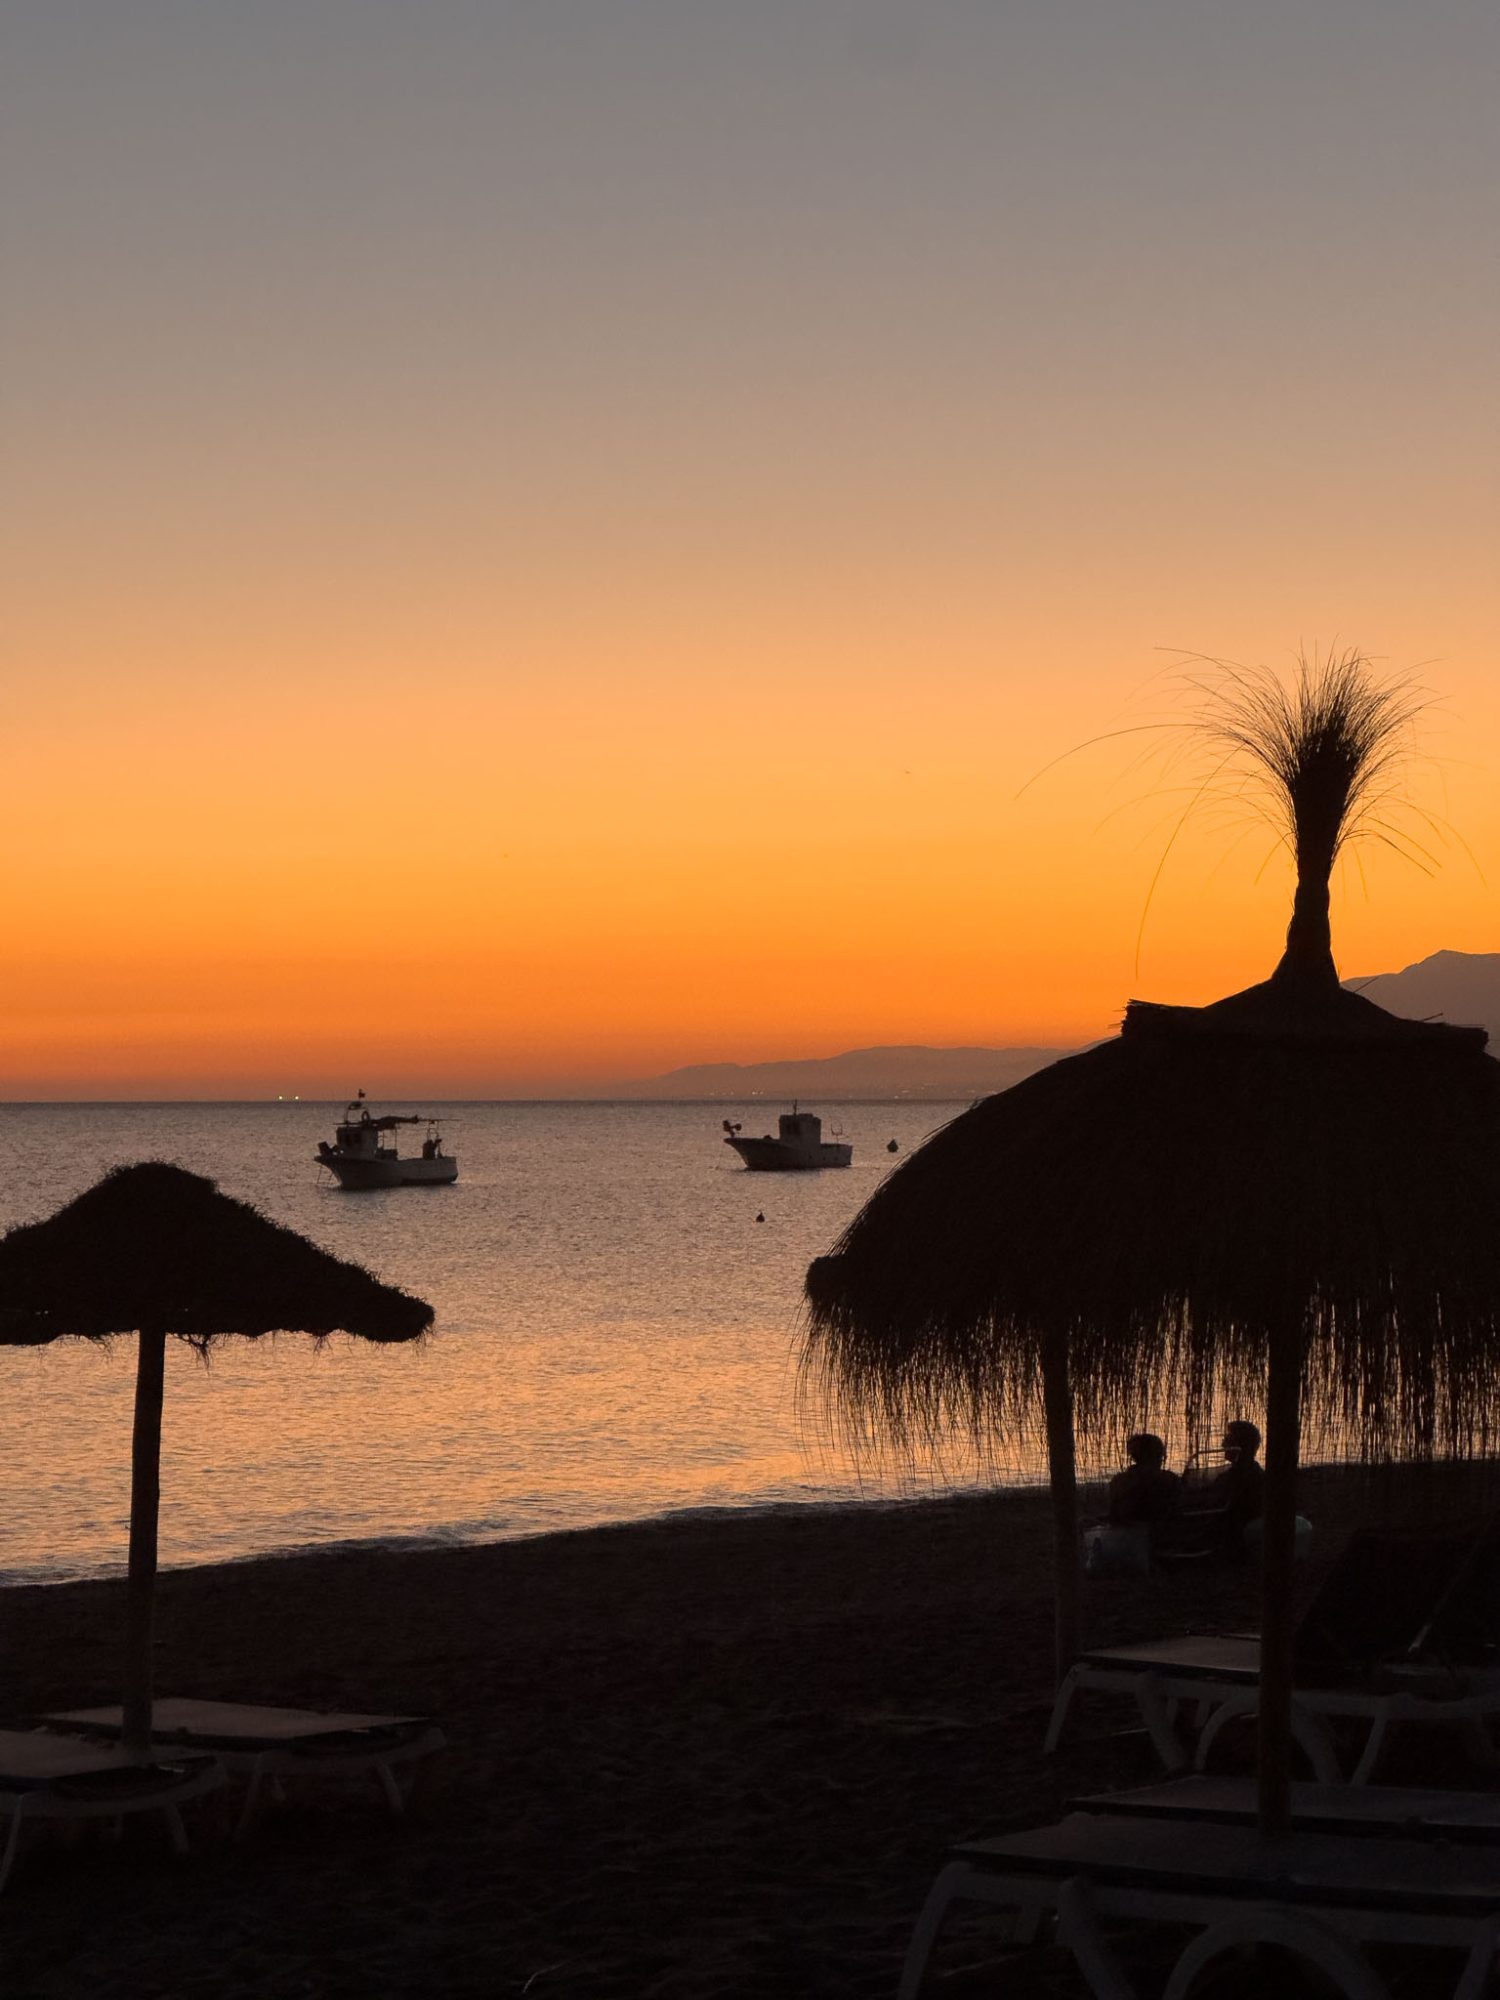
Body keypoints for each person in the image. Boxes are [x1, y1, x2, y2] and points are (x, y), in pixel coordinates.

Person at [1187, 1420, 1265, 1560]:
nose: (1223, 1444)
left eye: (1227, 1440)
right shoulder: (1250, 1471)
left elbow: (1213, 1502)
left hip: (1222, 1526)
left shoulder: (1238, 1476)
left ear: (1239, 1447)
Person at [1107, 1434, 1183, 1529]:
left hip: (1126, 1537)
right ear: (1156, 1457)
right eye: (1161, 1456)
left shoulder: (1119, 1481)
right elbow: (1176, 1513)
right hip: (1162, 1536)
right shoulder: (1170, 1480)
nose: (1163, 1459)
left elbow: (1114, 1517)